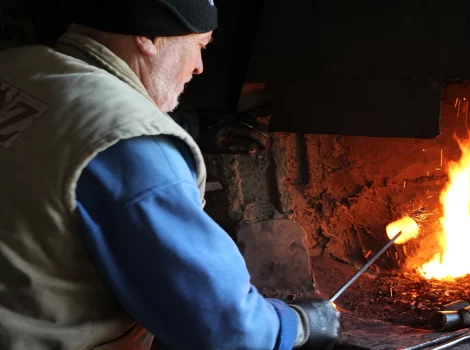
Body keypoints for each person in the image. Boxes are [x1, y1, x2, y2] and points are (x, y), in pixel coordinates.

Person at [0, 0, 340, 349]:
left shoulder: (17, 66)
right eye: (199, 46)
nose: (199, 67)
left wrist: (188, 126)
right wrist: (300, 324)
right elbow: (225, 327)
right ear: (149, 36)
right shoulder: (133, 146)